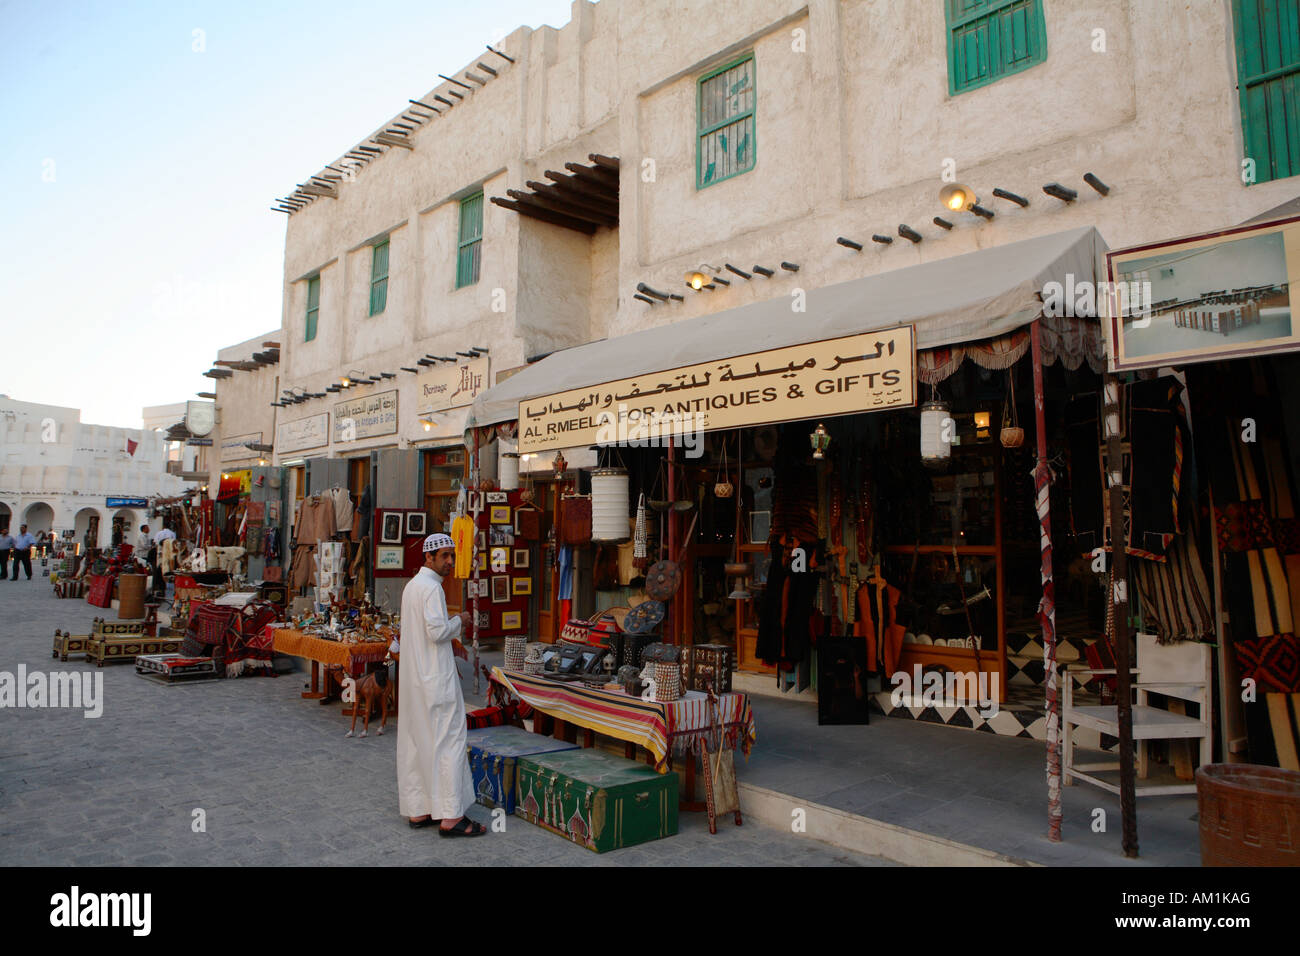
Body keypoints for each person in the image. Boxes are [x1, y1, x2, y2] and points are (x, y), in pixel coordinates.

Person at [396, 532, 485, 837]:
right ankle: (451, 816)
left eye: (452, 556)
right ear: (429, 558)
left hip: (415, 681)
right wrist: (459, 619)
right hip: (434, 680)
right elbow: (436, 632)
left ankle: (420, 808)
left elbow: (422, 634)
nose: (449, 561)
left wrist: (453, 643)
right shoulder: (432, 588)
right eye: (444, 556)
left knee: (418, 740)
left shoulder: (412, 587)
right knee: (450, 742)